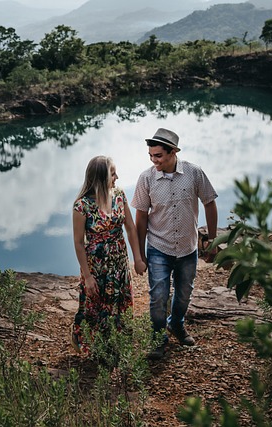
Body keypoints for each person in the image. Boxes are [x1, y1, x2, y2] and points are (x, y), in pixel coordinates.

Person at [131, 128, 218, 360]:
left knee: (183, 295)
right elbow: (140, 217)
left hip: (188, 248)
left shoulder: (194, 173)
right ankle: (158, 338)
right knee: (158, 296)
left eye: (158, 155)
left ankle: (176, 325)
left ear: (173, 152)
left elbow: (210, 202)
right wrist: (139, 256)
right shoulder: (146, 178)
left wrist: (211, 239)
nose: (153, 160)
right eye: (151, 155)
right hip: (159, 247)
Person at [70, 155, 146, 354]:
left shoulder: (119, 195)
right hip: (96, 266)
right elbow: (79, 243)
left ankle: (117, 344)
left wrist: (137, 258)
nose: (117, 177)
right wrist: (87, 276)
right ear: (101, 177)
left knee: (120, 302)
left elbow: (130, 228)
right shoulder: (82, 206)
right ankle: (90, 342)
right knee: (96, 305)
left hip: (120, 262)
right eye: (113, 173)